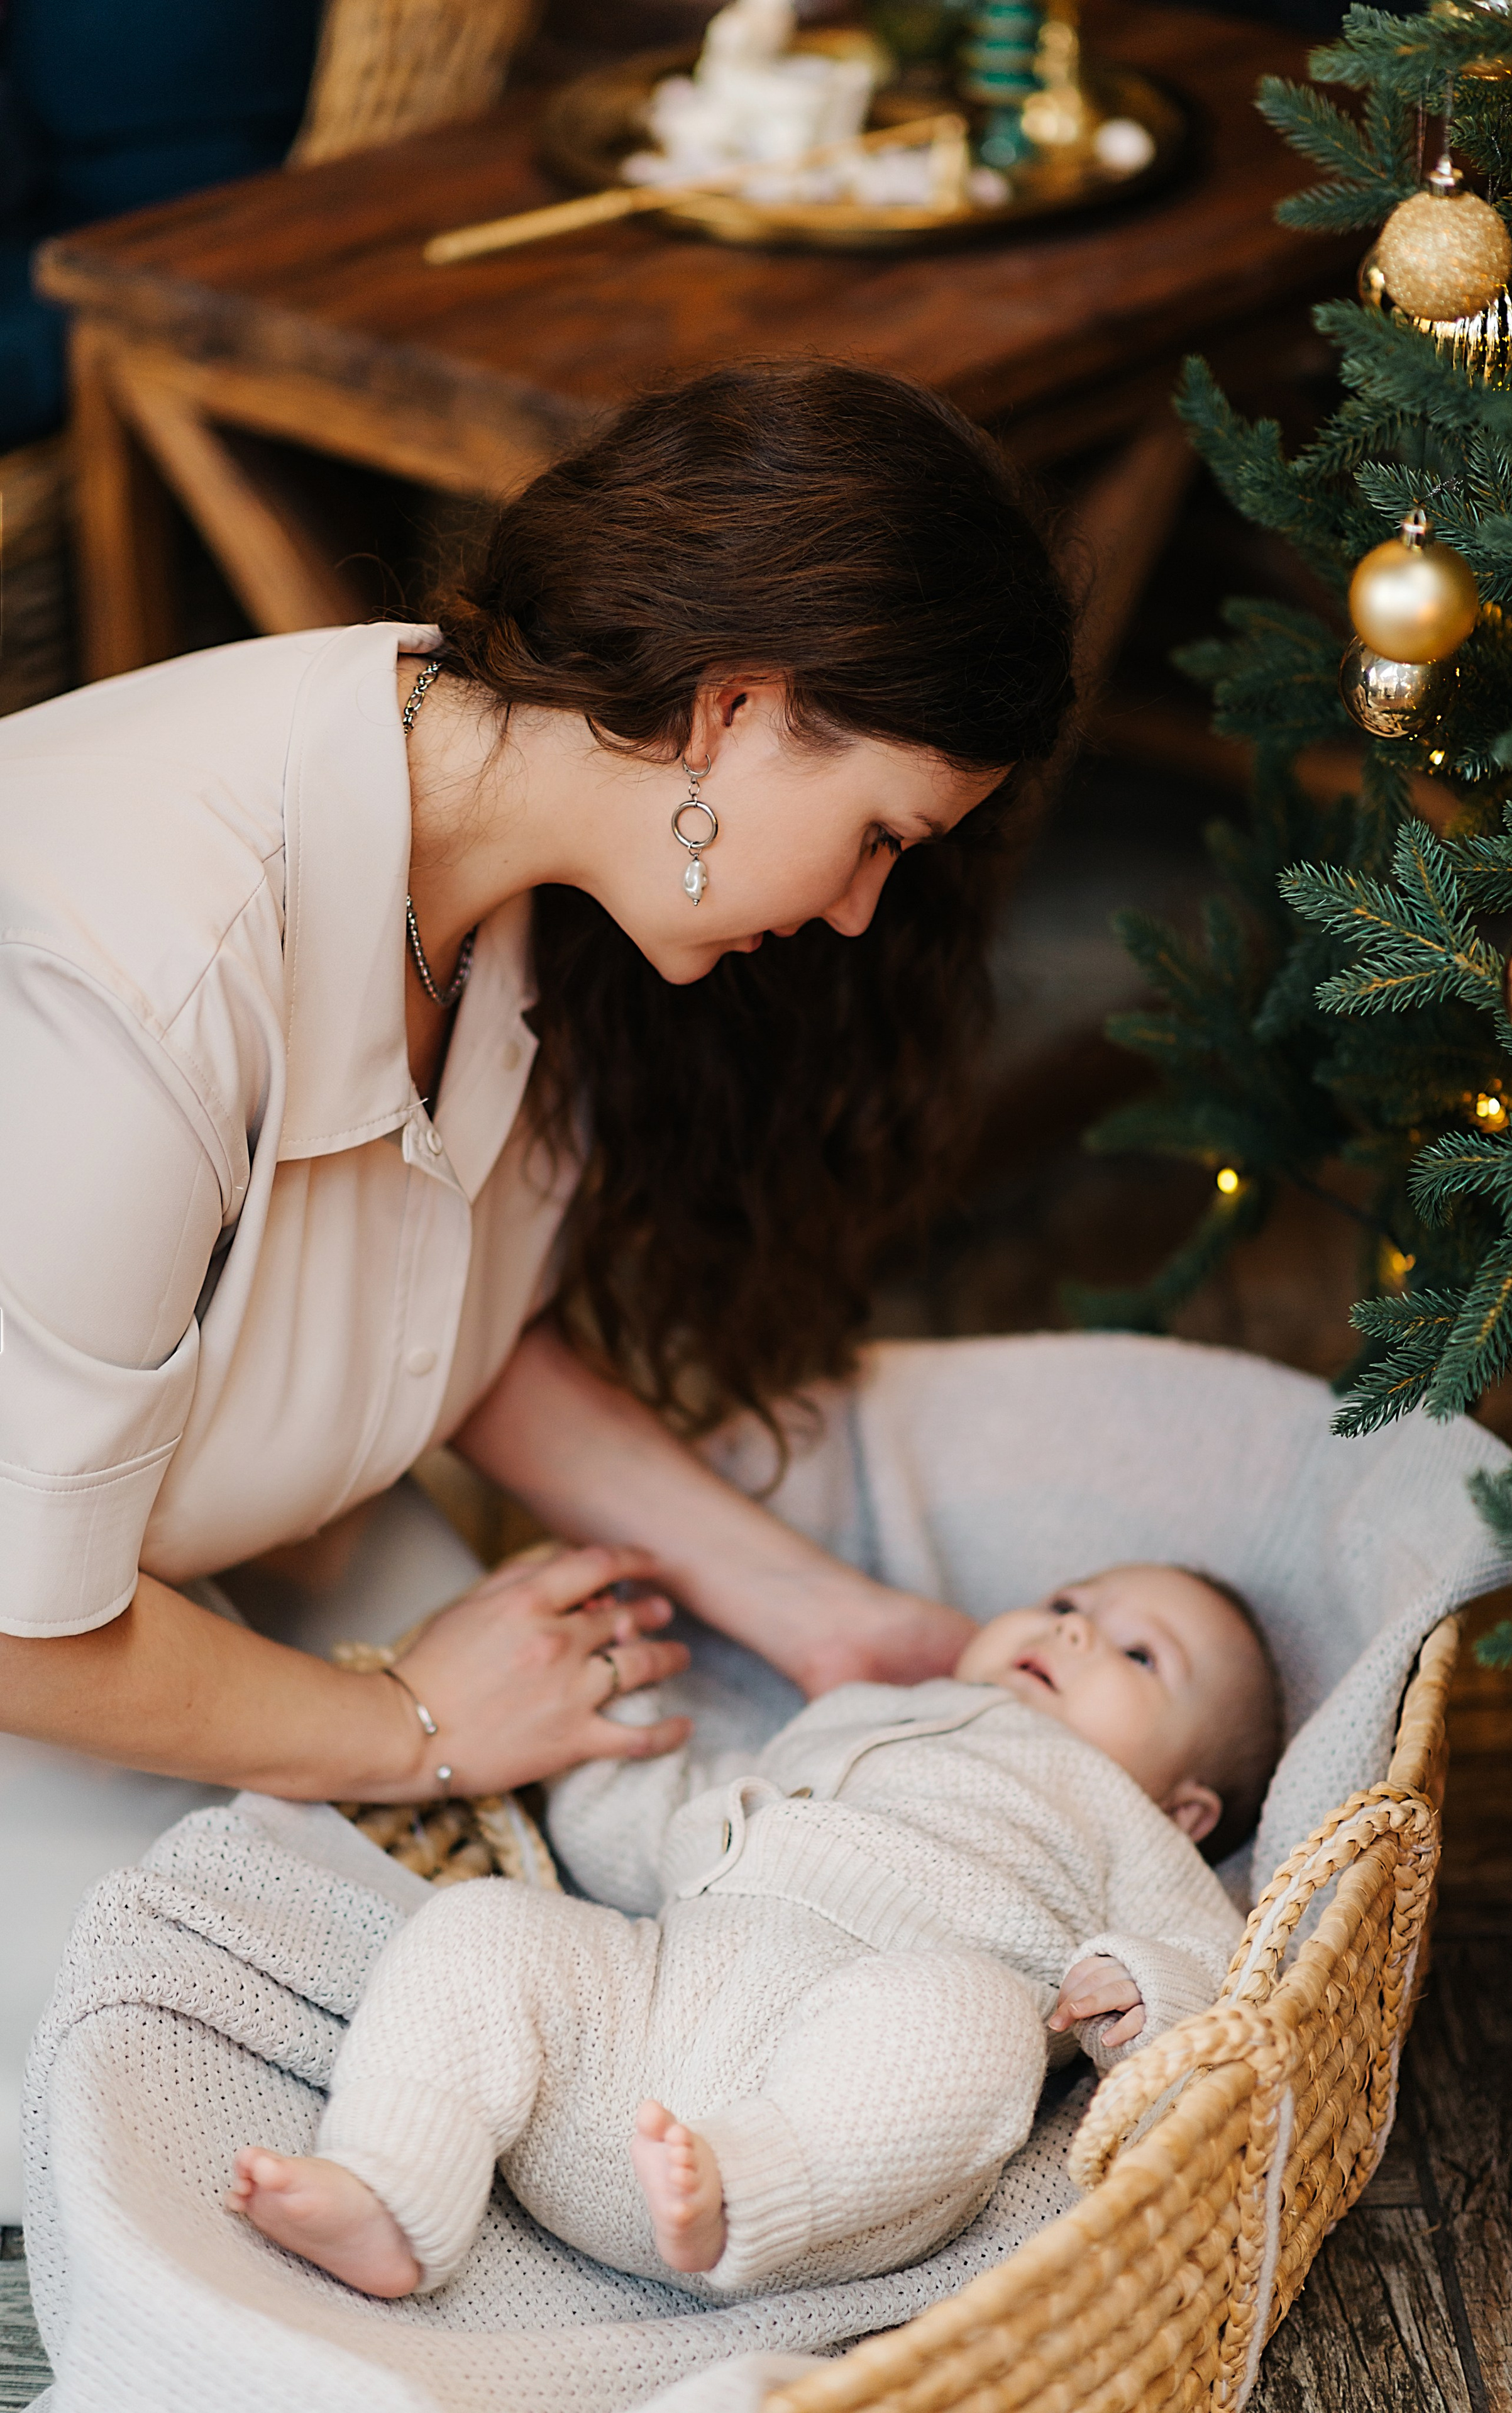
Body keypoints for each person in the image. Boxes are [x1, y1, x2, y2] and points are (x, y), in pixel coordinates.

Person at [0, 360, 1074, 2219]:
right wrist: (408, 1719)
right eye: (885, 835)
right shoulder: (134, 971)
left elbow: (421, 1309)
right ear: (735, 712)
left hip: (166, 1543)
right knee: (300, 2060)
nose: (855, 916)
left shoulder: (494, 820)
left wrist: (815, 1612)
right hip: (37, 1620)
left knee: (581, 1921)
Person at [224, 1563, 1283, 2299]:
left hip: (835, 2149)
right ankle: (394, 2187)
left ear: (1189, 1810)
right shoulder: (867, 1707)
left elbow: (1221, 1969)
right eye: (1065, 1601)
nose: (1074, 1629)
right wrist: (594, 1750)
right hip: (642, 2029)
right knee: (487, 1925)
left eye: (1140, 1656)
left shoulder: (1131, 1824)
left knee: (976, 2023)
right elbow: (645, 1838)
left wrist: (1141, 1985)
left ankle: (744, 2182)